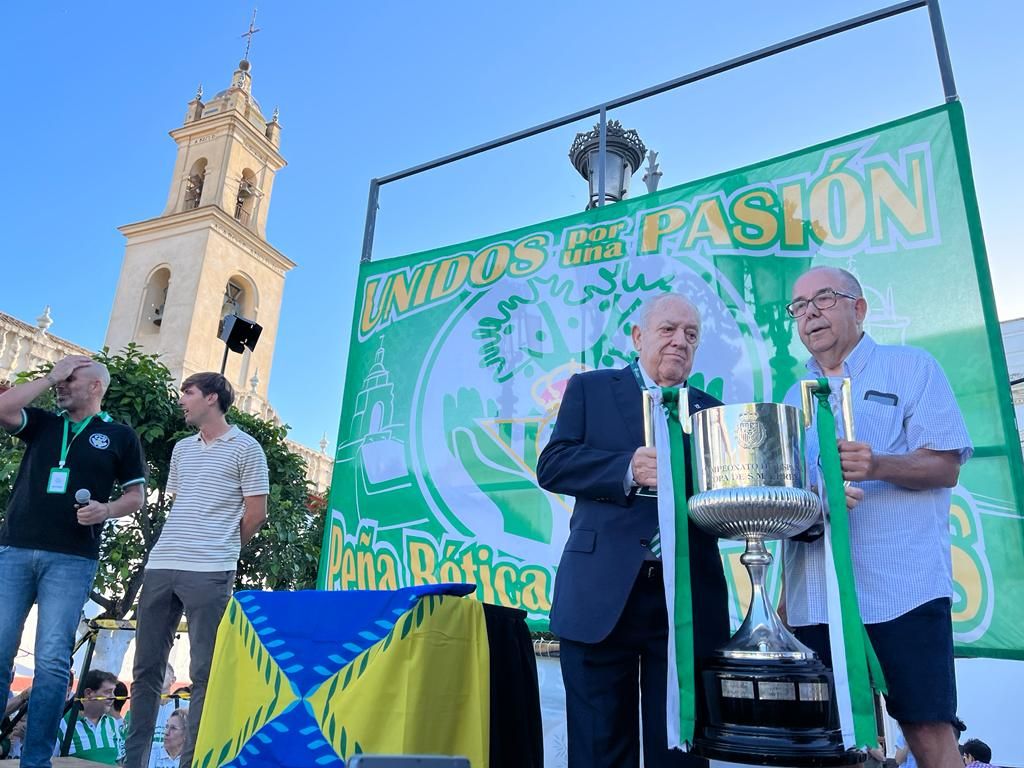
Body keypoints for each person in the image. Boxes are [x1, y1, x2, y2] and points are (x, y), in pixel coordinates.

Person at [782, 266, 972, 768]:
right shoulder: (791, 396)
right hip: (816, 597)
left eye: (823, 299)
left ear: (858, 307)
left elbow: (947, 464)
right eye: (799, 307)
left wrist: (878, 465)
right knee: (831, 742)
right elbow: (790, 499)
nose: (810, 314)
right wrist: (782, 600)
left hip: (902, 589)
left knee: (929, 729)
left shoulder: (912, 367)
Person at [536, 292, 729, 768]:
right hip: (600, 595)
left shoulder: (714, 412)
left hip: (686, 596)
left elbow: (725, 498)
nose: (679, 342)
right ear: (639, 337)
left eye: (691, 335)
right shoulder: (590, 389)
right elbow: (553, 465)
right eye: (668, 330)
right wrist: (625, 468)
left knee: (681, 753)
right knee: (599, 751)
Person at [0, 355, 146, 768]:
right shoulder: (45, 422)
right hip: (13, 549)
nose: (62, 385)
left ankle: (36, 760)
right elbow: (3, 409)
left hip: (71, 559)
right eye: (60, 379)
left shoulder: (119, 436)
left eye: (70, 379)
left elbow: (136, 496)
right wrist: (48, 376)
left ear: (96, 387)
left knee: (50, 661)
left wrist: (106, 510)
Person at [124, 373, 269, 768]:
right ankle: (132, 762)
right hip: (161, 564)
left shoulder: (248, 448)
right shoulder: (182, 450)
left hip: (209, 569)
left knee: (203, 672)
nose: (180, 400)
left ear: (211, 397)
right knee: (146, 668)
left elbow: (256, 513)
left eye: (187, 393)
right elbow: (182, 503)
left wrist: (221, 548)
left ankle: (192, 764)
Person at [56, 669, 125, 764]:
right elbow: (50, 762)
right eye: (108, 692)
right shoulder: (63, 724)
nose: (113, 697)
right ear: (88, 693)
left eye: (113, 692)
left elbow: (119, 761)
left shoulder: (112, 723)